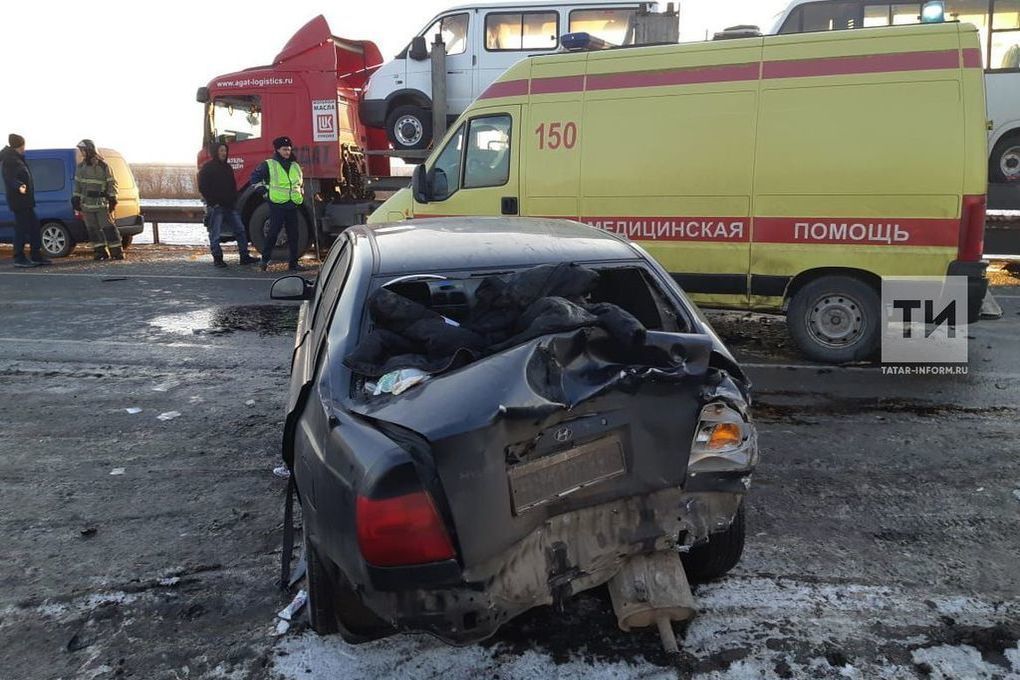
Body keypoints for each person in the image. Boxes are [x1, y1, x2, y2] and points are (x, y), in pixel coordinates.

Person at [249, 136, 304, 272]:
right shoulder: (269, 164)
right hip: (277, 205)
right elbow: (254, 179)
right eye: (284, 149)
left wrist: (301, 193)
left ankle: (293, 263)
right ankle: (264, 261)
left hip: (292, 204)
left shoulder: (295, 165)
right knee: (273, 233)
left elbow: (299, 182)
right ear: (277, 150)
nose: (287, 152)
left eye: (289, 149)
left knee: (294, 235)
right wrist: (264, 193)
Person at [198, 143, 256, 268]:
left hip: (229, 206)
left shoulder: (227, 167)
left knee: (240, 230)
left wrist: (234, 199)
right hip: (216, 207)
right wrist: (213, 202)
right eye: (221, 150)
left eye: (225, 150)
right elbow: (202, 187)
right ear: (215, 152)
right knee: (215, 233)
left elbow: (232, 185)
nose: (224, 153)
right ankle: (218, 258)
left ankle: (244, 256)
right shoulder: (207, 168)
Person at [0, 134, 51, 267]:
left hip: (26, 200)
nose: (24, 148)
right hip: (19, 200)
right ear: (18, 146)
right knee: (21, 229)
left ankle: (36, 255)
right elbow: (9, 177)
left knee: (34, 227)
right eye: (23, 145)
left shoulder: (18, 158)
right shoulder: (10, 160)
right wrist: (19, 186)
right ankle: (19, 257)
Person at [72, 139, 122, 260]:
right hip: (87, 205)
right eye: (81, 150)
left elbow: (112, 183)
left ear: (90, 150)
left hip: (101, 204)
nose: (82, 153)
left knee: (108, 228)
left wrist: (112, 198)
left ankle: (116, 252)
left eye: (83, 150)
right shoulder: (81, 167)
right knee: (92, 229)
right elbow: (78, 184)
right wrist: (75, 198)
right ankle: (100, 252)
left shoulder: (103, 166)